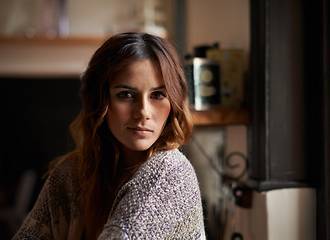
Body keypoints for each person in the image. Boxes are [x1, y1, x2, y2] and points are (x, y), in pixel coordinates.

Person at [13, 32, 206, 240]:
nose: (143, 112)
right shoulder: (70, 176)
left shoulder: (171, 174)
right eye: (126, 94)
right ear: (100, 102)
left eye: (158, 95)